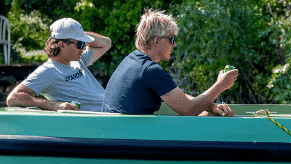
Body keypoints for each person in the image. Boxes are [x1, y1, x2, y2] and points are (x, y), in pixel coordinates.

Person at [102, 8, 239, 116]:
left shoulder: (132, 60)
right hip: (131, 140)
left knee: (207, 113)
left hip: (118, 135)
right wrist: (221, 85)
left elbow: (174, 95)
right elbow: (189, 110)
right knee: (209, 118)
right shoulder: (151, 71)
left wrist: (211, 106)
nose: (174, 45)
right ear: (156, 41)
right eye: (172, 39)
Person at [7, 18, 112, 112]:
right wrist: (53, 105)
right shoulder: (48, 71)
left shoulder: (78, 59)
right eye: (80, 44)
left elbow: (106, 43)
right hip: (101, 119)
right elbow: (13, 98)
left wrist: (77, 33)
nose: (84, 48)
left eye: (84, 43)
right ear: (62, 45)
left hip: (113, 110)